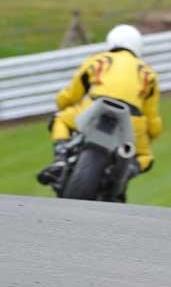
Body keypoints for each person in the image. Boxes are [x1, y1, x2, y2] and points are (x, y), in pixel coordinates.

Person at [37, 25, 163, 192]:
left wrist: (62, 103)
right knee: (146, 157)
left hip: (95, 107)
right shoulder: (148, 73)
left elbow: (72, 94)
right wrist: (153, 133)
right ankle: (127, 172)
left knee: (60, 119)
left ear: (110, 41)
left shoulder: (98, 60)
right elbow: (151, 116)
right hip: (132, 119)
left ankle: (60, 160)